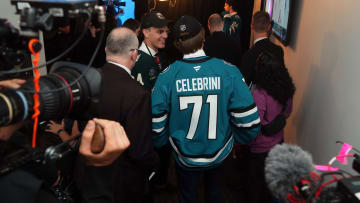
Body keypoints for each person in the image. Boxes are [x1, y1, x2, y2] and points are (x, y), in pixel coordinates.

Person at [151, 15, 261, 203]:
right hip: (220, 152)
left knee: (187, 196)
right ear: (204, 37)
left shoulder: (166, 77)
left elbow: (156, 124)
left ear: (177, 44)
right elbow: (249, 122)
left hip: (184, 154)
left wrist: (167, 142)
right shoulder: (229, 71)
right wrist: (235, 139)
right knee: (215, 195)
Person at [77, 27, 159, 203]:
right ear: (134, 54)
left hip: (87, 172)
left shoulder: (86, 81)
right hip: (120, 183)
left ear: (106, 50)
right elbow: (140, 152)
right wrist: (155, 163)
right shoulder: (138, 94)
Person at [245, 52, 295, 203]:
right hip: (278, 142)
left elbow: (254, 123)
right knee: (273, 185)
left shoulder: (259, 94)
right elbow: (287, 113)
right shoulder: (287, 88)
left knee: (255, 186)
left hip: (259, 148)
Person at [240, 11, 284, 87]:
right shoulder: (278, 51)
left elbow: (243, 86)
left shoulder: (248, 56)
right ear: (269, 27)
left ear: (251, 26)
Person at [131, 11, 170, 91]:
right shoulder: (139, 62)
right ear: (146, 33)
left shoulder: (161, 55)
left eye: (166, 31)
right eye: (160, 31)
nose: (166, 36)